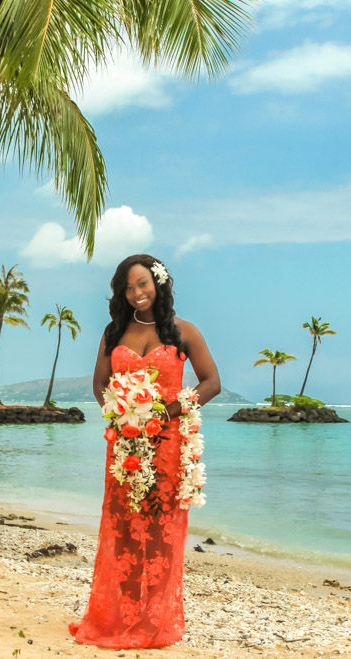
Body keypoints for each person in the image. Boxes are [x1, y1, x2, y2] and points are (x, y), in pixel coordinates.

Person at [69, 254, 221, 648]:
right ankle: (121, 615)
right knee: (122, 529)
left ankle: (154, 618)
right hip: (125, 448)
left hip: (169, 446)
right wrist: (120, 415)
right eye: (129, 286)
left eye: (143, 284)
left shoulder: (183, 331)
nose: (137, 293)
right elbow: (100, 383)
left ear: (159, 283)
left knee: (161, 532)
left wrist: (168, 411)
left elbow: (211, 383)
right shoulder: (114, 331)